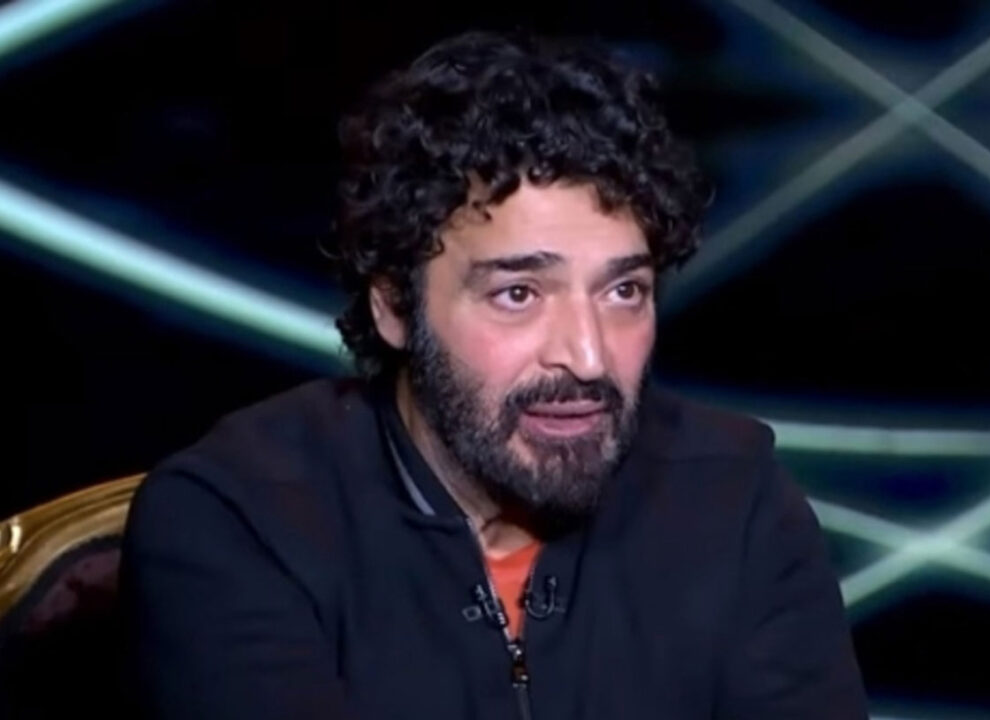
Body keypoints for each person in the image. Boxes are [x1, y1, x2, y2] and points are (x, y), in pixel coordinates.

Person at [120, 29, 868, 719]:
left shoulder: (737, 500)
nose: (587, 356)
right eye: (519, 294)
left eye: (623, 291)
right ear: (394, 305)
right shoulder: (237, 520)